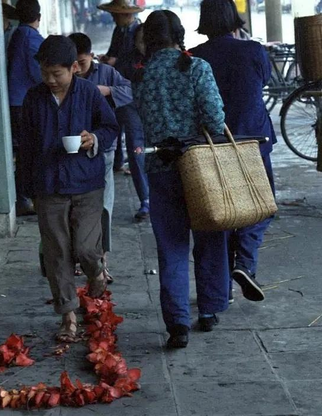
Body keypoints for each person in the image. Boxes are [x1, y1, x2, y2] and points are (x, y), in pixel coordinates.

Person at [133, 11, 229, 348]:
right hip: (199, 167)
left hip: (161, 169)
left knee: (171, 247)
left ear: (148, 38)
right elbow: (216, 121)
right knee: (210, 237)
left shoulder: (141, 77)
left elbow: (145, 119)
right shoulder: (196, 68)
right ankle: (209, 309)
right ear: (179, 34)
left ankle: (177, 324)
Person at [18, 35, 119, 342]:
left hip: (86, 182)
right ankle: (68, 316)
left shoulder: (89, 93)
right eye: (44, 73)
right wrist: (26, 188)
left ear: (74, 67)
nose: (50, 80)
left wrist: (94, 139)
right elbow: (25, 146)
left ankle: (97, 272)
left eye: (57, 74)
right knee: (57, 254)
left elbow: (110, 127)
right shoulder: (34, 98)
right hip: (48, 186)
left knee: (87, 248)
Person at [191, 0, 274, 303]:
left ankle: (219, 291)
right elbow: (263, 81)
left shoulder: (196, 56)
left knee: (221, 212)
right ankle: (246, 263)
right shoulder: (253, 50)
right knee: (262, 205)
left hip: (212, 144)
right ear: (233, 18)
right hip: (254, 139)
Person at [68, 32, 131, 269]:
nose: (76, 68)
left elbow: (131, 91)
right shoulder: (65, 77)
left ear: (91, 57)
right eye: (72, 64)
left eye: (81, 63)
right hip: (73, 151)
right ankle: (76, 257)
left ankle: (102, 259)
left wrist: (108, 91)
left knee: (103, 206)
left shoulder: (106, 73)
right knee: (73, 208)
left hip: (103, 149)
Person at [97, 0, 150, 221]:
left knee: (137, 145)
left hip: (133, 95)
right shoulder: (119, 31)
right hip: (121, 93)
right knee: (129, 142)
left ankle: (147, 199)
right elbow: (115, 56)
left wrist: (115, 63)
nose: (114, 18)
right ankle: (145, 197)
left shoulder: (139, 32)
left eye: (117, 14)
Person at [7, 0, 44, 216]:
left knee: (23, 152)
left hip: (16, 102)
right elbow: (39, 73)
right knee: (28, 153)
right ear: (37, 16)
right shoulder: (31, 37)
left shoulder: (17, 34)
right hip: (23, 102)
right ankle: (24, 196)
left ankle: (24, 196)